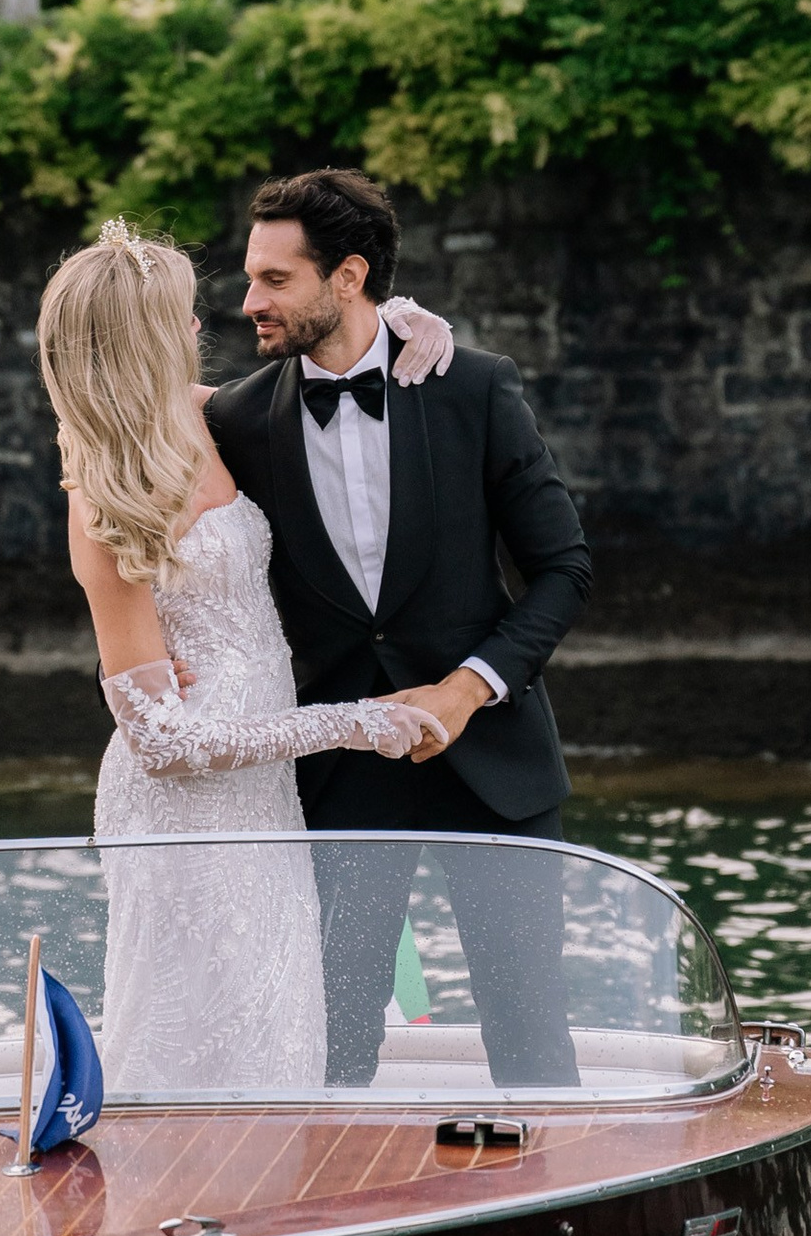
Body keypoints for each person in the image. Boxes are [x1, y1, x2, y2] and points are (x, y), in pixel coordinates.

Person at [37, 220, 453, 1097]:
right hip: (184, 813)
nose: (201, 328)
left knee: (281, 1016)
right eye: (180, 318)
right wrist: (352, 723)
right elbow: (163, 744)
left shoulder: (204, 414)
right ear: (140, 338)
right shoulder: (101, 495)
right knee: (209, 1031)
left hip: (263, 795)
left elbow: (329, 372)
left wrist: (396, 318)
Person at [203, 165, 592, 1090]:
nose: (248, 300)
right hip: (339, 775)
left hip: (493, 761)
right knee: (333, 1045)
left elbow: (564, 569)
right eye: (250, 276)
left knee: (532, 1038)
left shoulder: (471, 387)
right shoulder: (234, 420)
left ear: (347, 277)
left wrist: (466, 690)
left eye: (274, 279)